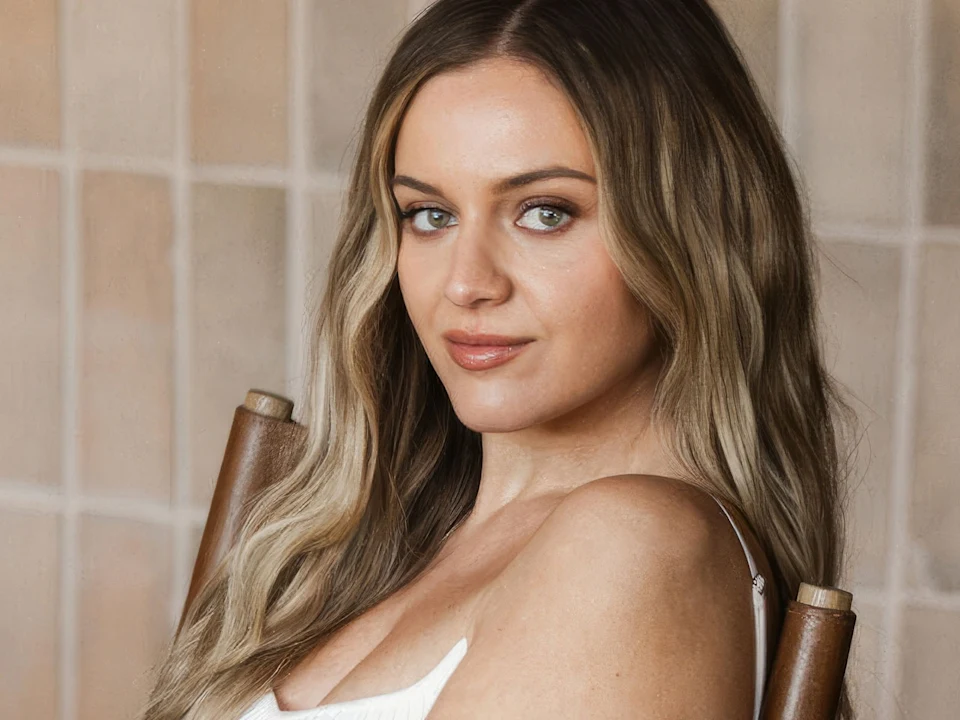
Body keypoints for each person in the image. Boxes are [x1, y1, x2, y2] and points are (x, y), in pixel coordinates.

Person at [144, 0, 857, 717]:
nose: (466, 282)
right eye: (430, 214)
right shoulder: (351, 547)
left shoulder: (634, 547)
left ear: (695, 231)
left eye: (545, 212)